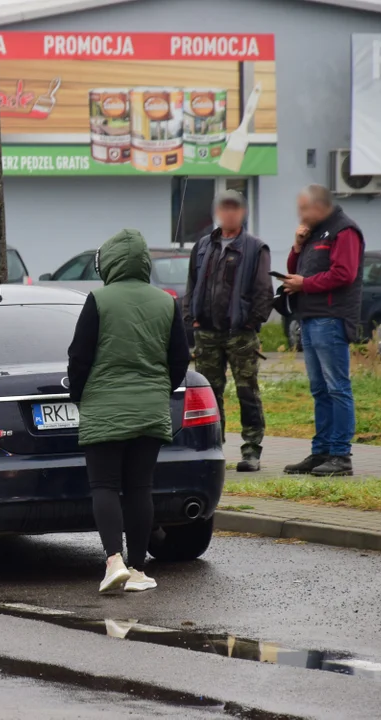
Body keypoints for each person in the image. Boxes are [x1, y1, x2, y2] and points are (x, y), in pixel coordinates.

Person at [68, 230, 191, 594]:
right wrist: (160, 391)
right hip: (151, 407)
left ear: (109, 262)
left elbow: (80, 355)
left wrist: (80, 396)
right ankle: (138, 569)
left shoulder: (99, 300)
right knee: (140, 487)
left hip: (104, 404)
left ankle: (113, 561)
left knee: (104, 485)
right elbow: (180, 357)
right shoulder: (166, 301)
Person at [182, 190, 273, 472]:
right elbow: (191, 285)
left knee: (248, 392)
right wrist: (191, 318)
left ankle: (251, 450)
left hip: (241, 335)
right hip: (206, 334)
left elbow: (263, 293)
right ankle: (213, 448)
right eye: (224, 208)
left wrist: (251, 322)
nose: (228, 213)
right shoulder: (202, 246)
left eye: (234, 208)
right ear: (216, 212)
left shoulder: (256, 248)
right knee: (209, 393)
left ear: (242, 213)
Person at [281, 185, 365, 477]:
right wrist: (297, 246)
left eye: (305, 208)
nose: (301, 215)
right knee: (319, 389)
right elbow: (296, 269)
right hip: (309, 316)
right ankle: (321, 452)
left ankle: (340, 455)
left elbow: (344, 273)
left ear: (321, 206)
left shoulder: (345, 231)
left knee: (337, 388)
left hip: (331, 318)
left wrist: (305, 284)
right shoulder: (314, 233)